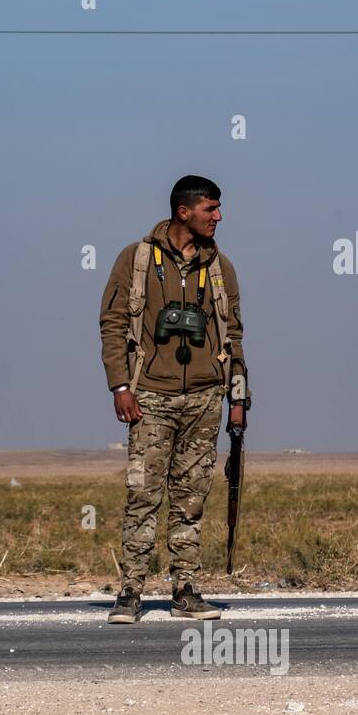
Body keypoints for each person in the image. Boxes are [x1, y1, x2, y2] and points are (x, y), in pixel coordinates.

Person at [98, 175, 250, 623]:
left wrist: (238, 396)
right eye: (211, 209)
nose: (218, 217)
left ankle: (185, 589)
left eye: (219, 209)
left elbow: (234, 335)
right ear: (184, 212)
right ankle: (130, 593)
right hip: (150, 396)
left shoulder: (221, 267)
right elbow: (112, 324)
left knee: (192, 498)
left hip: (205, 397)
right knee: (142, 495)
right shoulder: (137, 259)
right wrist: (120, 386)